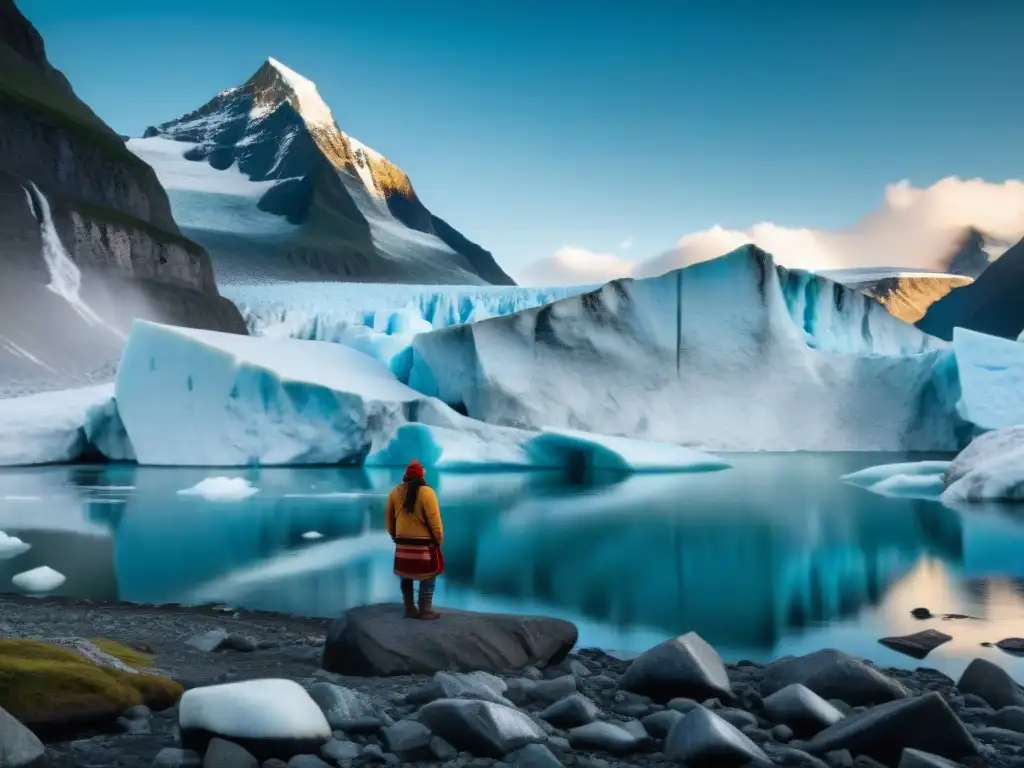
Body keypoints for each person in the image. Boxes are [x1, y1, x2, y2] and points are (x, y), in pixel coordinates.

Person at [385, 459, 444, 620]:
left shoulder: (395, 492)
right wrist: (438, 539)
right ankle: (425, 610)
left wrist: (394, 536)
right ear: (421, 476)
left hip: (403, 544)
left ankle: (409, 608)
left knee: (406, 576)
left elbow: (389, 519)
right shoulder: (427, 492)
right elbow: (434, 520)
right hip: (424, 545)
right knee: (429, 575)